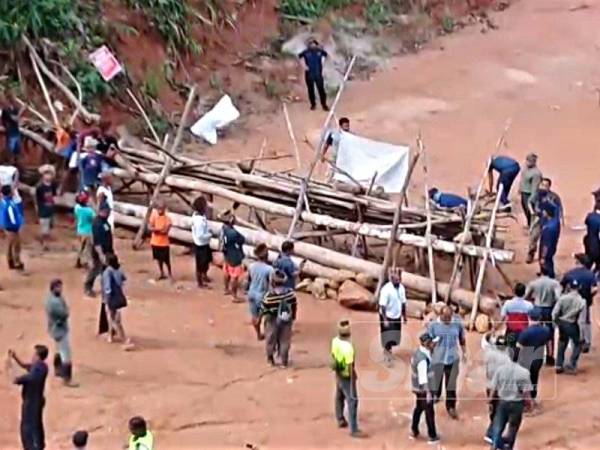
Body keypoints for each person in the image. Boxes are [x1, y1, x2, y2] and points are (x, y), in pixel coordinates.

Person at [427, 305, 467, 419]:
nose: (449, 320)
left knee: (451, 385)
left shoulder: (457, 323)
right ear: (441, 316)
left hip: (452, 359)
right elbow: (427, 340)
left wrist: (464, 352)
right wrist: (430, 346)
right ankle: (436, 395)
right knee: (437, 380)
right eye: (446, 318)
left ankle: (451, 406)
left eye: (450, 317)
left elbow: (462, 338)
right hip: (438, 359)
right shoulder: (433, 325)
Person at [8, 345, 49, 450]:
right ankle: (39, 445)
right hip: (38, 400)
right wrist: (15, 358)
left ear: (38, 356)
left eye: (34, 354)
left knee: (27, 426)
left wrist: (12, 371)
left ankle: (30, 447)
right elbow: (25, 366)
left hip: (32, 402)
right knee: (37, 424)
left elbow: (21, 379)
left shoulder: (37, 370)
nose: (32, 356)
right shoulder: (42, 366)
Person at [489, 357, 532, 450]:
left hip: (502, 402)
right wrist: (529, 404)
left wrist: (490, 401)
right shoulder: (524, 372)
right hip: (517, 404)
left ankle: (495, 446)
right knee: (513, 428)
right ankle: (508, 447)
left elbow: (493, 389)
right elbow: (526, 393)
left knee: (498, 426)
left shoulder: (500, 370)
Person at [330, 319, 363, 438]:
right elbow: (349, 364)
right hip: (346, 374)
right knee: (352, 400)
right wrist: (352, 375)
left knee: (339, 396)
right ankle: (353, 429)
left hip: (338, 371)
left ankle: (340, 419)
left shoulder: (335, 341)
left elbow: (333, 355)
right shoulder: (348, 347)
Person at [525, 266, 561, 365]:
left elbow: (526, 295)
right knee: (550, 333)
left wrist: (532, 300)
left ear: (540, 273)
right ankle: (550, 356)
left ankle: (536, 355)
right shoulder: (554, 283)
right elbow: (558, 298)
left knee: (535, 331)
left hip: (537, 309)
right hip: (549, 309)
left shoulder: (534, 283)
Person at [261, 270, 298, 367]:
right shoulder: (290, 293)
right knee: (285, 340)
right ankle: (284, 361)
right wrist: (293, 316)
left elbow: (264, 310)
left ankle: (270, 359)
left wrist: (262, 319)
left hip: (272, 320)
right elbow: (294, 305)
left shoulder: (269, 296)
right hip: (286, 319)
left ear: (272, 282)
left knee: (270, 339)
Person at [516, 308, 551, 409]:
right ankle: (533, 399)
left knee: (524, 380)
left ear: (529, 318)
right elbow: (548, 344)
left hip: (526, 360)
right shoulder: (546, 330)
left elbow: (519, 347)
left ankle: (524, 402)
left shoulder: (525, 332)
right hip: (538, 359)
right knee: (534, 378)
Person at [562, 253, 597, 353]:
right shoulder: (590, 274)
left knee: (573, 321)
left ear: (578, 262)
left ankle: (577, 341)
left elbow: (562, 287)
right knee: (585, 321)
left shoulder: (570, 274)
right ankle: (586, 342)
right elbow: (594, 289)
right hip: (585, 301)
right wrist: (589, 296)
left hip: (572, 303)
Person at [45, 279, 78, 387]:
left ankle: (58, 370)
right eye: (58, 287)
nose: (61, 289)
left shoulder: (51, 298)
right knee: (66, 354)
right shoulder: (55, 302)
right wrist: (67, 310)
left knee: (58, 349)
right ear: (53, 288)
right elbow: (64, 313)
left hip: (54, 329)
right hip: (60, 330)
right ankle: (67, 379)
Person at [410, 332, 440, 444]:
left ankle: (414, 429)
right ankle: (432, 435)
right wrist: (428, 393)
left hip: (418, 389)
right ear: (427, 343)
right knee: (429, 411)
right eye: (431, 342)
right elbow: (423, 379)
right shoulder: (422, 360)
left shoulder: (421, 352)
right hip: (423, 389)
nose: (433, 344)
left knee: (418, 408)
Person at [526, 177, 564, 264]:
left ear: (549, 187)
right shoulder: (537, 194)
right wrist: (532, 212)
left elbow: (559, 209)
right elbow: (529, 202)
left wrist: (560, 220)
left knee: (546, 243)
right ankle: (531, 253)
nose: (543, 187)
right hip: (538, 220)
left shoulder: (554, 197)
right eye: (542, 185)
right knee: (533, 237)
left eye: (545, 185)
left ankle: (545, 260)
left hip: (548, 222)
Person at [482, 334, 511, 444]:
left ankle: (493, 428)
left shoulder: (489, 352)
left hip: (489, 386)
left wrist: (490, 333)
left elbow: (485, 341)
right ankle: (491, 433)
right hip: (500, 388)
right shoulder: (506, 359)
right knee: (501, 412)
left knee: (494, 409)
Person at [552, 279, 586, 374]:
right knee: (577, 344)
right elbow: (582, 319)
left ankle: (559, 365)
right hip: (572, 324)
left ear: (569, 287)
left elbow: (554, 312)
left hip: (562, 323)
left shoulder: (562, 298)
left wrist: (556, 322)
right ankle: (572, 363)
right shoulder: (582, 301)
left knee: (562, 343)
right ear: (579, 287)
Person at [378, 268, 407, 365]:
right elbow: (382, 305)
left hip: (396, 315)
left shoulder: (401, 288)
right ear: (391, 279)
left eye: (399, 280)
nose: (398, 281)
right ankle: (387, 354)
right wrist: (385, 320)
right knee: (388, 336)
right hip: (387, 316)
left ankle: (389, 349)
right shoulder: (386, 290)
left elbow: (403, 303)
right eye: (396, 280)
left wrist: (404, 316)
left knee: (396, 337)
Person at [102, 253, 132, 348]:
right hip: (118, 296)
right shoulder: (118, 270)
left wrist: (107, 299)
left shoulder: (107, 272)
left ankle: (123, 338)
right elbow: (124, 279)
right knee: (113, 317)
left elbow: (107, 288)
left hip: (111, 297)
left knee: (113, 319)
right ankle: (110, 335)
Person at [84, 204, 113, 297]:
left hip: (107, 250)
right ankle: (88, 287)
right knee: (96, 269)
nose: (108, 213)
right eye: (107, 211)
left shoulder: (105, 222)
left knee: (106, 270)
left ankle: (106, 288)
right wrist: (101, 254)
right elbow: (96, 242)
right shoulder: (97, 223)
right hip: (98, 251)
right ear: (102, 211)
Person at [247, 244, 274, 340]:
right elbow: (271, 284)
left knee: (254, 316)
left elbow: (249, 280)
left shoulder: (251, 266)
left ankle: (258, 334)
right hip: (262, 294)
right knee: (268, 316)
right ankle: (269, 334)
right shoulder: (269, 269)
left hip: (251, 293)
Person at [501, 282, 533, 359]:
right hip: (524, 333)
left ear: (514, 292)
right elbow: (532, 317)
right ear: (524, 293)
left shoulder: (508, 303)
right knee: (522, 354)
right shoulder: (529, 305)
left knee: (509, 353)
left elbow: (502, 316)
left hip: (510, 331)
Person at [220, 214, 245, 301]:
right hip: (234, 255)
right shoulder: (233, 233)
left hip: (226, 253)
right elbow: (242, 239)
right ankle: (234, 296)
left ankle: (226, 289)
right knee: (235, 276)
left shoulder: (223, 229)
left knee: (226, 271)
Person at [298, 39, 329, 111]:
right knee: (310, 90)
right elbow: (298, 58)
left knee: (321, 90)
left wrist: (324, 64)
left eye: (314, 44)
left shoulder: (320, 51)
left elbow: (327, 56)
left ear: (316, 44)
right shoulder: (306, 52)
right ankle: (313, 105)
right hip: (309, 74)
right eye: (311, 44)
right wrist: (303, 65)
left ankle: (324, 105)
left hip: (318, 74)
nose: (312, 45)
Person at [149, 198, 173, 281]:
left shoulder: (167, 218)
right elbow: (150, 227)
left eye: (161, 208)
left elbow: (165, 231)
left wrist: (156, 229)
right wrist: (159, 229)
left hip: (164, 243)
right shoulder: (154, 216)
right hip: (155, 242)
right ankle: (162, 272)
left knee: (167, 260)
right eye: (159, 208)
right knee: (159, 259)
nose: (160, 210)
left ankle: (170, 274)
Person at [1, 184, 25, 270]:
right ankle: (17, 263)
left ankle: (10, 261)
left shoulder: (3, 202)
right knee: (16, 246)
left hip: (6, 227)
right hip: (12, 228)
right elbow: (13, 219)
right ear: (10, 193)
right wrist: (18, 225)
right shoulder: (10, 204)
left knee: (9, 245)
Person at [191, 196, 212, 288]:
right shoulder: (199, 221)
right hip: (201, 244)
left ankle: (204, 276)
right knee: (200, 264)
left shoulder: (197, 216)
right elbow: (200, 235)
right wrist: (209, 235)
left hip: (203, 244)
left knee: (206, 261)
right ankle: (200, 282)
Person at [34, 166, 57, 250]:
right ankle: (45, 244)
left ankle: (45, 241)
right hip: (43, 210)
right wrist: (38, 211)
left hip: (50, 209)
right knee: (45, 229)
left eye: (50, 174)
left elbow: (54, 196)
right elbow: (37, 200)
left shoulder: (53, 185)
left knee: (49, 227)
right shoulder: (39, 187)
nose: (48, 176)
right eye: (46, 174)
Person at [518, 153, 542, 226]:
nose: (527, 162)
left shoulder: (536, 173)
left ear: (534, 162)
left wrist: (531, 199)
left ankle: (532, 225)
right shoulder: (525, 169)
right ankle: (529, 224)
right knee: (525, 209)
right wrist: (520, 188)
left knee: (530, 211)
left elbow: (535, 187)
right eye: (527, 160)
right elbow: (522, 179)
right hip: (523, 192)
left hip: (529, 194)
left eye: (529, 161)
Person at [74, 191, 95, 269]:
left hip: (80, 230)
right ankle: (90, 265)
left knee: (80, 247)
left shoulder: (77, 208)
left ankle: (78, 261)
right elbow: (94, 219)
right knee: (88, 249)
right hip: (88, 231)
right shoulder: (89, 211)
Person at [1, 93, 24, 165]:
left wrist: (22, 120)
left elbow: (18, 119)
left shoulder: (14, 109)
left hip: (16, 131)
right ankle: (8, 165)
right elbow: (15, 118)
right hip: (11, 132)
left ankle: (16, 166)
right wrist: (22, 110)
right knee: (10, 151)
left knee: (17, 151)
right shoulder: (6, 110)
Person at [539, 205, 560, 278]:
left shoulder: (548, 228)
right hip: (553, 245)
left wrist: (543, 257)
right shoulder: (556, 222)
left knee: (546, 263)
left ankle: (549, 276)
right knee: (550, 261)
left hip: (547, 248)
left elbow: (545, 245)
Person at [583, 198, 600, 272]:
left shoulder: (589, 216)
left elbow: (586, 222)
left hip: (588, 240)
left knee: (589, 260)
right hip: (597, 244)